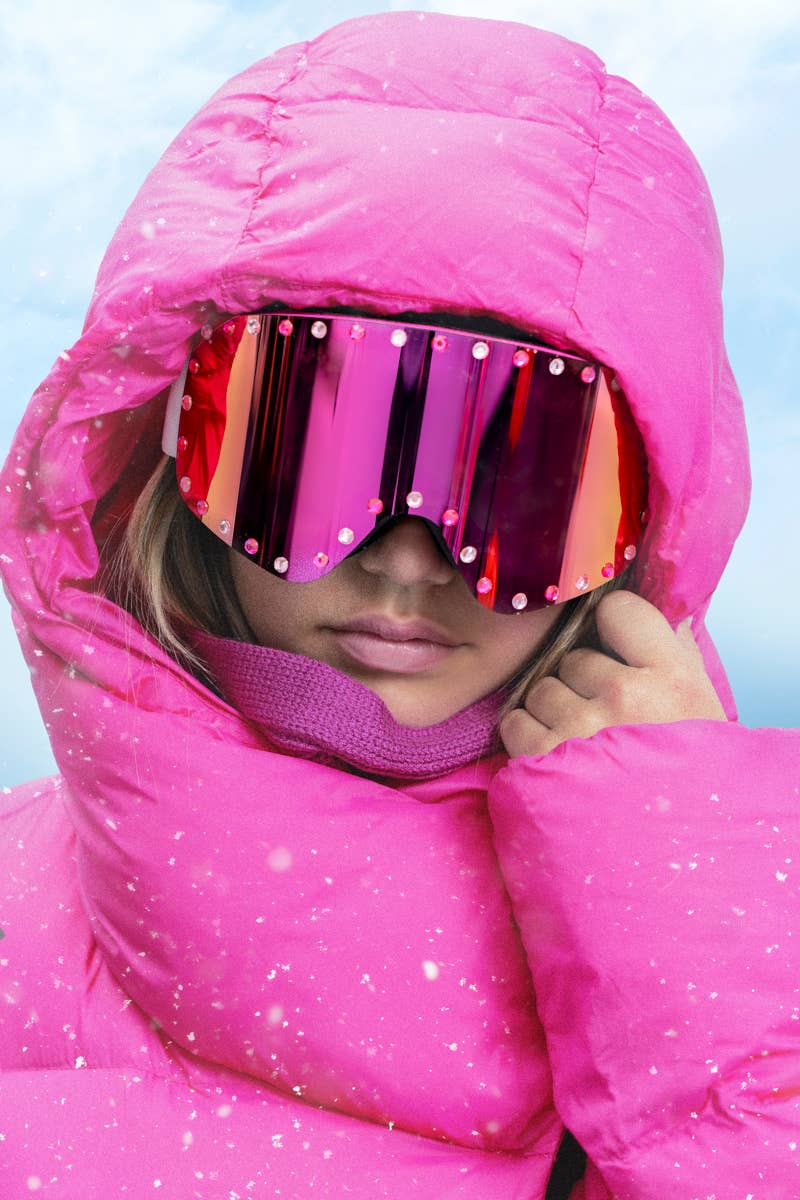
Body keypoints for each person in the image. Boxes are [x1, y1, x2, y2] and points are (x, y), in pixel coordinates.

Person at [0, 11, 797, 1199]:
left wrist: (684, 907)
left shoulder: (743, 928)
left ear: (638, 528)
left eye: (518, 488)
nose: (408, 566)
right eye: (315, 456)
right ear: (176, 449)